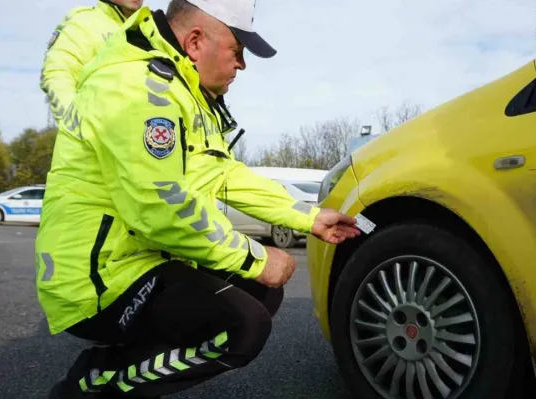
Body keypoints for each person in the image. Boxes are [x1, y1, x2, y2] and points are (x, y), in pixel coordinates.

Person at [36, 0, 361, 398]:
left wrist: (308, 217)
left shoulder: (184, 89)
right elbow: (161, 208)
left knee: (259, 292)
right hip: (98, 279)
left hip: (143, 259)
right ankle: (90, 384)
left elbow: (222, 173)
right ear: (194, 42)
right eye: (237, 51)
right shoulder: (140, 89)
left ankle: (130, 369)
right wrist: (255, 257)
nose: (242, 65)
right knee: (244, 325)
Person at [40, 0, 144, 125]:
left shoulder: (151, 29)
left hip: (142, 136)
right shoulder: (84, 22)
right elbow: (57, 75)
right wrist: (76, 128)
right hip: (96, 137)